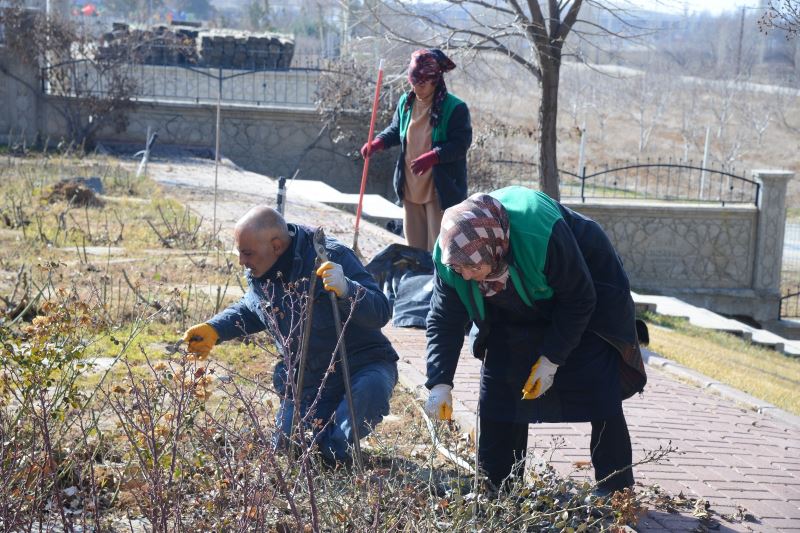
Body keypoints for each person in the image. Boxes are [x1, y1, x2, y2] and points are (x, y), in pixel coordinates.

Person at [423, 186, 647, 495]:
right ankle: (496, 486)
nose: (467, 277)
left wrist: (551, 359)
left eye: (474, 267)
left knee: (599, 388)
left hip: (586, 291)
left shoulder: (540, 234)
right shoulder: (452, 253)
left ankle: (616, 489)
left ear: (496, 248)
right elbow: (443, 319)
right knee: (499, 390)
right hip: (515, 300)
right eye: (460, 270)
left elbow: (580, 300)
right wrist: (439, 382)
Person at [183, 206, 399, 465]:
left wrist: (347, 289)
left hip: (363, 366)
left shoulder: (330, 255)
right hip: (309, 379)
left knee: (348, 424)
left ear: (276, 246)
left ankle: (335, 452)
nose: (241, 261)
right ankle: (323, 445)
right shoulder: (260, 270)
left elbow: (381, 311)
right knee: (289, 449)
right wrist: (215, 329)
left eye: (247, 253)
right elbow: (254, 309)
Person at [361, 48, 472, 252]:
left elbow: (460, 144)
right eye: (413, 82)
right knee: (414, 248)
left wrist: (433, 157)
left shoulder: (455, 108)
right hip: (411, 185)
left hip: (440, 189)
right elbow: (396, 130)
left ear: (434, 80)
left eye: (421, 83)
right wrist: (377, 143)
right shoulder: (406, 102)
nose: (416, 87)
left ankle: (437, 284)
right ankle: (416, 282)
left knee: (439, 247)